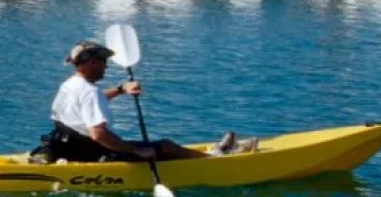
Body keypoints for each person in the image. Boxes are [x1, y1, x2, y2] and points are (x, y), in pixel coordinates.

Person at [36, 40, 247, 163]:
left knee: (159, 146)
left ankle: (209, 154)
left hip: (64, 146)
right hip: (91, 152)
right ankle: (212, 162)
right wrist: (133, 150)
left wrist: (119, 90)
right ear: (90, 62)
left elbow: (89, 105)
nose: (106, 67)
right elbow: (98, 133)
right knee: (166, 146)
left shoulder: (70, 85)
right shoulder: (89, 92)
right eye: (103, 62)